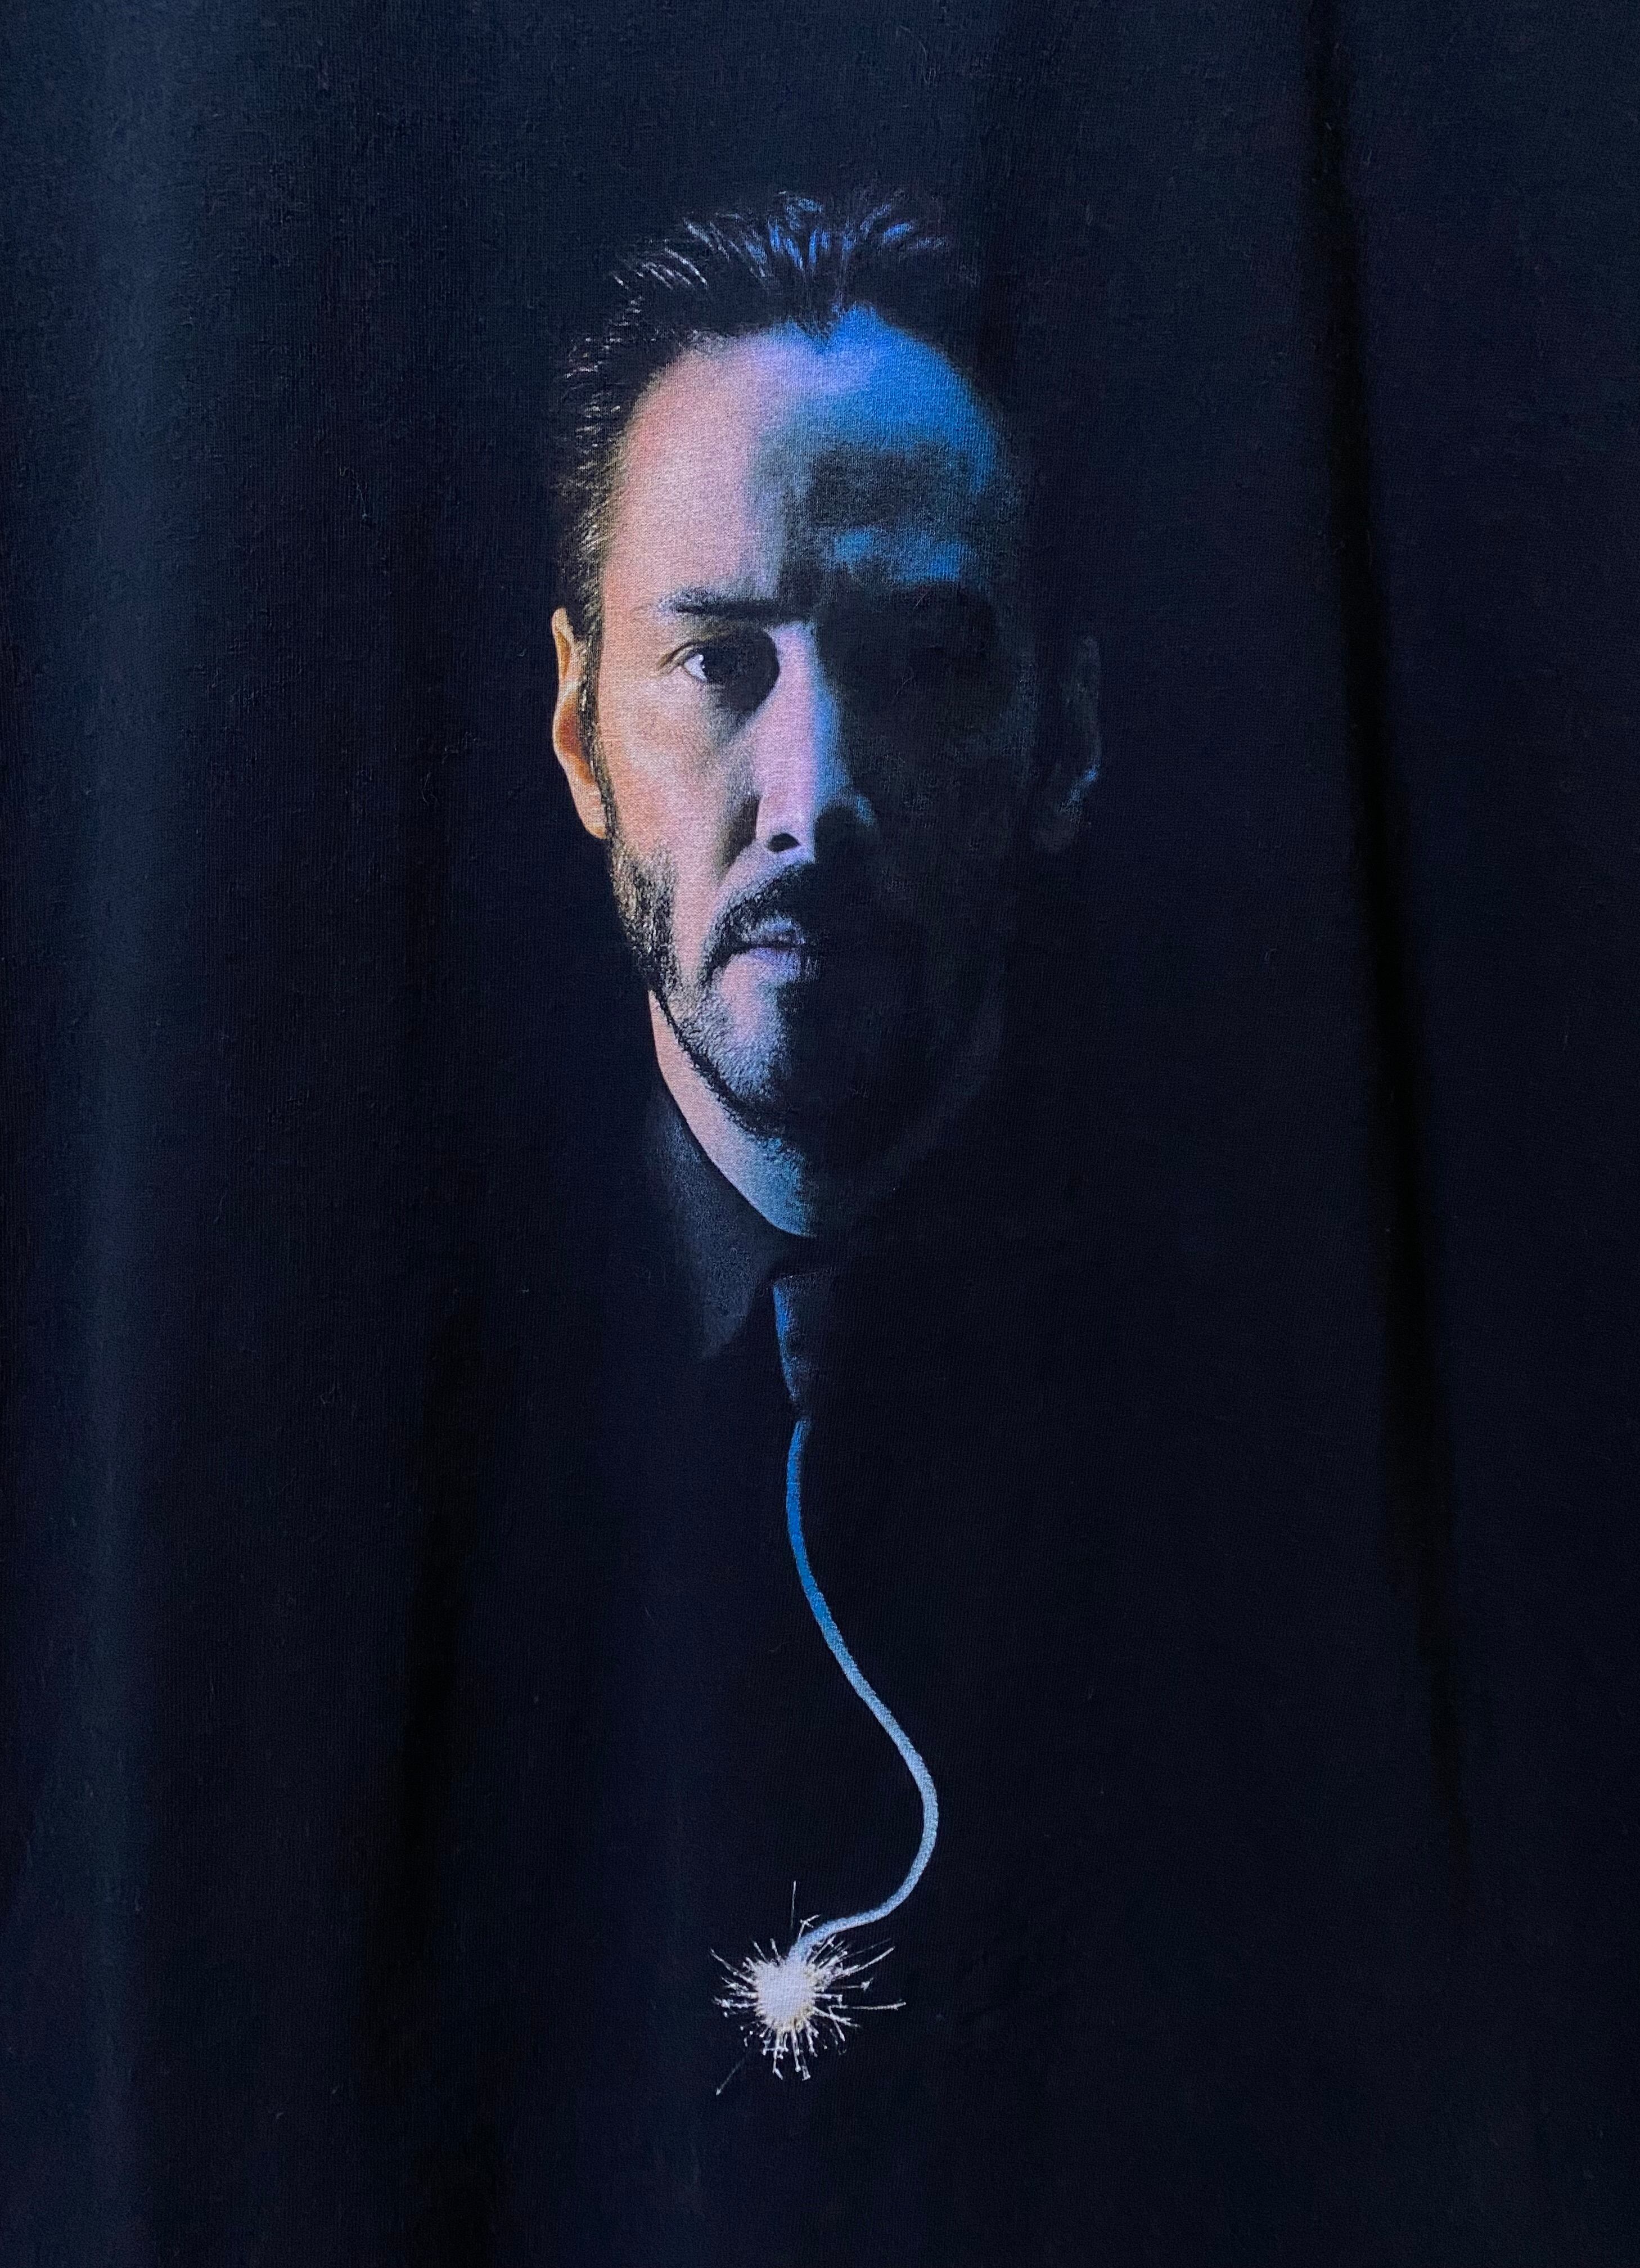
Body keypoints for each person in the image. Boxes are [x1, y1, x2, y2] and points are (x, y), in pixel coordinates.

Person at [436, 192, 1461, 2264]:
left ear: (1063, 735)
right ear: (577, 733)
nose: (813, 791)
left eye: (923, 663)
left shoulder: (1312, 1443)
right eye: (716, 662)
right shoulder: (374, 1429)